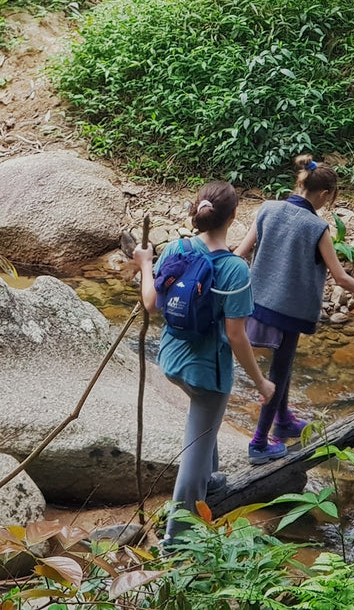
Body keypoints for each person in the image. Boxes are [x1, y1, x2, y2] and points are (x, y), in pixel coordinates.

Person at [134, 181, 275, 545]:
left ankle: (211, 480)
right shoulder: (235, 270)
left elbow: (151, 303)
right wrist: (261, 383)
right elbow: (236, 336)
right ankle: (177, 539)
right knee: (195, 448)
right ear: (233, 217)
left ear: (198, 210)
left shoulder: (177, 249)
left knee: (204, 422)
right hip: (206, 374)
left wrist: (146, 264)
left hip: (171, 360)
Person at [235, 156, 354, 464]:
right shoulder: (317, 226)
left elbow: (239, 253)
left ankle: (284, 421)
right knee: (279, 369)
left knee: (284, 366)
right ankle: (259, 442)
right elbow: (340, 277)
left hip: (256, 300)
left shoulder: (267, 208)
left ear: (300, 183)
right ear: (324, 194)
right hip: (290, 310)